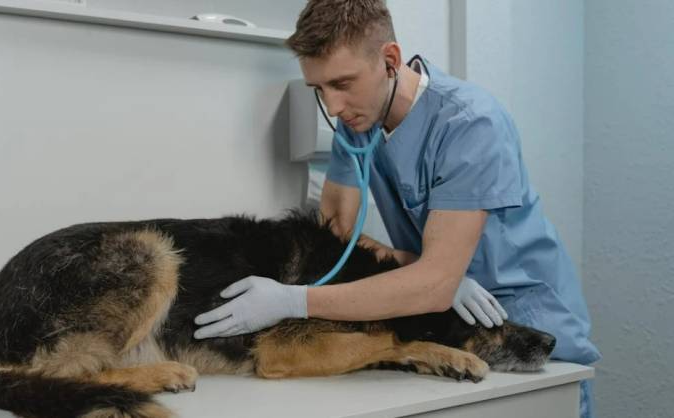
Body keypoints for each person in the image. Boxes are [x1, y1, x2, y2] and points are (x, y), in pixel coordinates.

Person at [194, 1, 600, 416]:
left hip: (524, 326)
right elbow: (334, 233)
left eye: (342, 83)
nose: (332, 106)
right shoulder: (357, 124)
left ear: (390, 60)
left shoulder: (470, 124)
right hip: (443, 320)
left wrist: (294, 302)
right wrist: (418, 266)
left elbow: (435, 285)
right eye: (319, 89)